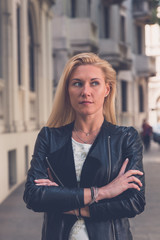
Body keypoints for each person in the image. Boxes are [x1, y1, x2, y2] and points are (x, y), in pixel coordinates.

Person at [23, 52, 145, 240]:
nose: (85, 91)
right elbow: (34, 196)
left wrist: (63, 201)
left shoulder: (125, 138)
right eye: (77, 83)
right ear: (67, 90)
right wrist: (103, 192)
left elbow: (134, 202)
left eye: (94, 83)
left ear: (107, 89)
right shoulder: (49, 137)